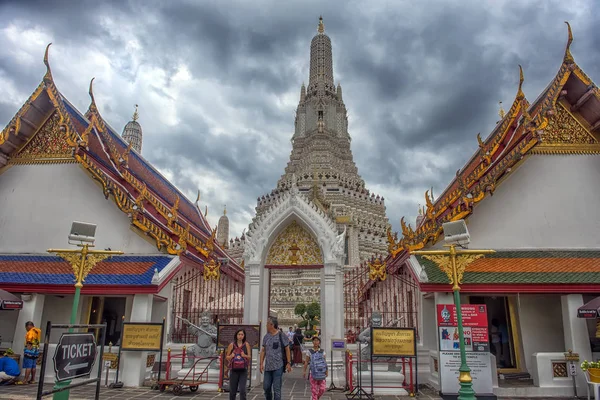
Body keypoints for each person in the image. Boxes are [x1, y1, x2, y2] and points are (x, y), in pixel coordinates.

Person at [260, 317, 291, 400]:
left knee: (277, 389)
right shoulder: (266, 336)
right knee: (266, 387)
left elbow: (287, 349)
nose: (266, 325)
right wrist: (261, 363)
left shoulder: (281, 335)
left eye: (267, 324)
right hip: (268, 366)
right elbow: (263, 350)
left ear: (272, 325)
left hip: (278, 366)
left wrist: (288, 362)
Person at [225, 329, 251, 400]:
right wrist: (231, 356)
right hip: (234, 370)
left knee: (242, 390)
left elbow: (249, 357)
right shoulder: (232, 345)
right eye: (239, 334)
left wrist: (244, 355)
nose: (240, 336)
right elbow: (227, 357)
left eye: (242, 334)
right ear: (236, 335)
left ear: (244, 336)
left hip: (243, 370)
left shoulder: (246, 344)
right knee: (233, 390)